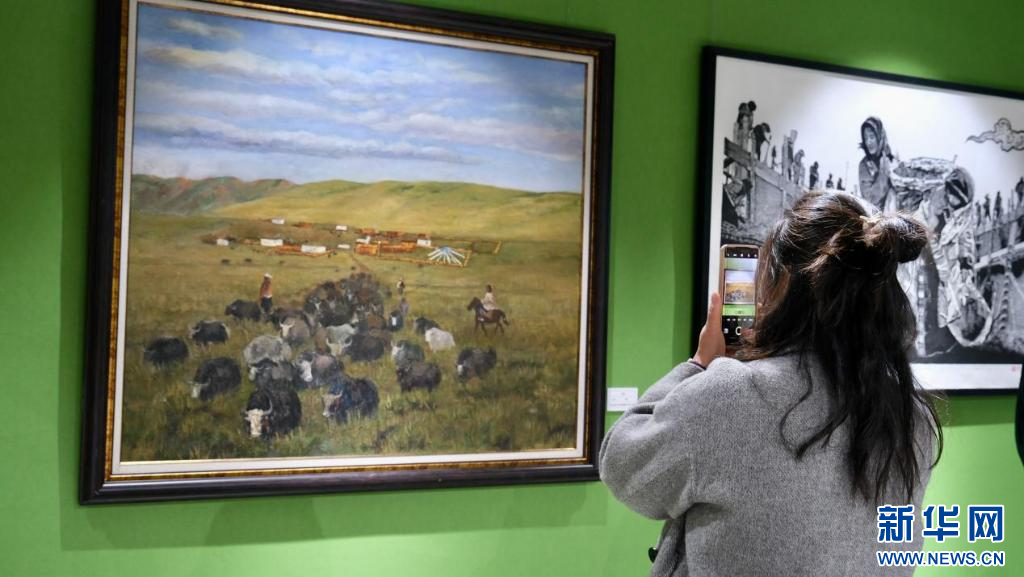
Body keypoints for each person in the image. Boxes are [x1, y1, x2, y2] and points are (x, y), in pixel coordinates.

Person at [601, 191, 942, 577]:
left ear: (782, 284)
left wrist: (698, 365)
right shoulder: (913, 418)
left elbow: (625, 467)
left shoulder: (729, 396)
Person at [858, 117, 896, 211]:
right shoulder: (864, 165)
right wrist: (883, 174)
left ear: (880, 137)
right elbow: (870, 199)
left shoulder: (892, 160)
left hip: (895, 214)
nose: (868, 142)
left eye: (871, 137)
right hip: (874, 216)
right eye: (865, 138)